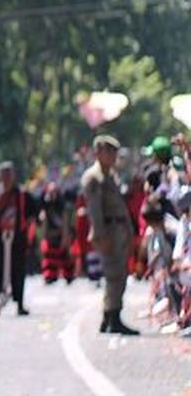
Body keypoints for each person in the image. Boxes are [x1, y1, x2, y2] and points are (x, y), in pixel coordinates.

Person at [81, 134, 139, 334]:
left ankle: (108, 316)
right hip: (108, 231)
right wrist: (100, 235)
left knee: (119, 273)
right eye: (109, 151)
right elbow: (94, 210)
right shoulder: (94, 178)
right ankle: (114, 317)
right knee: (114, 275)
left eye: (115, 151)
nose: (114, 155)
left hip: (118, 230)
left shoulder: (110, 175)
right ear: (98, 153)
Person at [0, 161, 38, 316]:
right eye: (3, 174)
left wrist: (30, 235)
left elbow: (33, 216)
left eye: (9, 173)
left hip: (18, 240)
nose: (6, 177)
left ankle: (19, 302)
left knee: (18, 271)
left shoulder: (23, 195)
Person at [39, 182, 75, 285]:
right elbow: (44, 222)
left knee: (65, 257)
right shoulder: (46, 207)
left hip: (61, 236)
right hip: (50, 237)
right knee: (50, 258)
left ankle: (68, 276)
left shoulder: (62, 207)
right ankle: (50, 277)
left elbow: (65, 223)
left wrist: (65, 237)